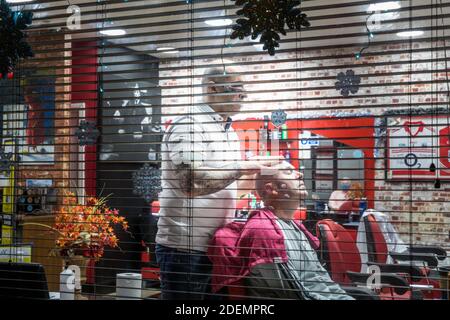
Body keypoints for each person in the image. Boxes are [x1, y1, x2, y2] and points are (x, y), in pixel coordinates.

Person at [155, 63, 280, 300]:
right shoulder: (190, 125)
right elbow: (191, 183)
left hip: (217, 246)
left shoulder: (228, 132)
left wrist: (261, 175)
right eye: (236, 88)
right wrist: (244, 166)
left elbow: (228, 187)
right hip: (185, 248)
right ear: (212, 89)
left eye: (244, 90)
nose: (243, 95)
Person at [208, 162, 354, 300]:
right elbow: (294, 293)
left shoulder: (294, 227)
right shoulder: (263, 230)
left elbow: (320, 279)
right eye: (289, 172)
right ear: (271, 189)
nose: (299, 175)